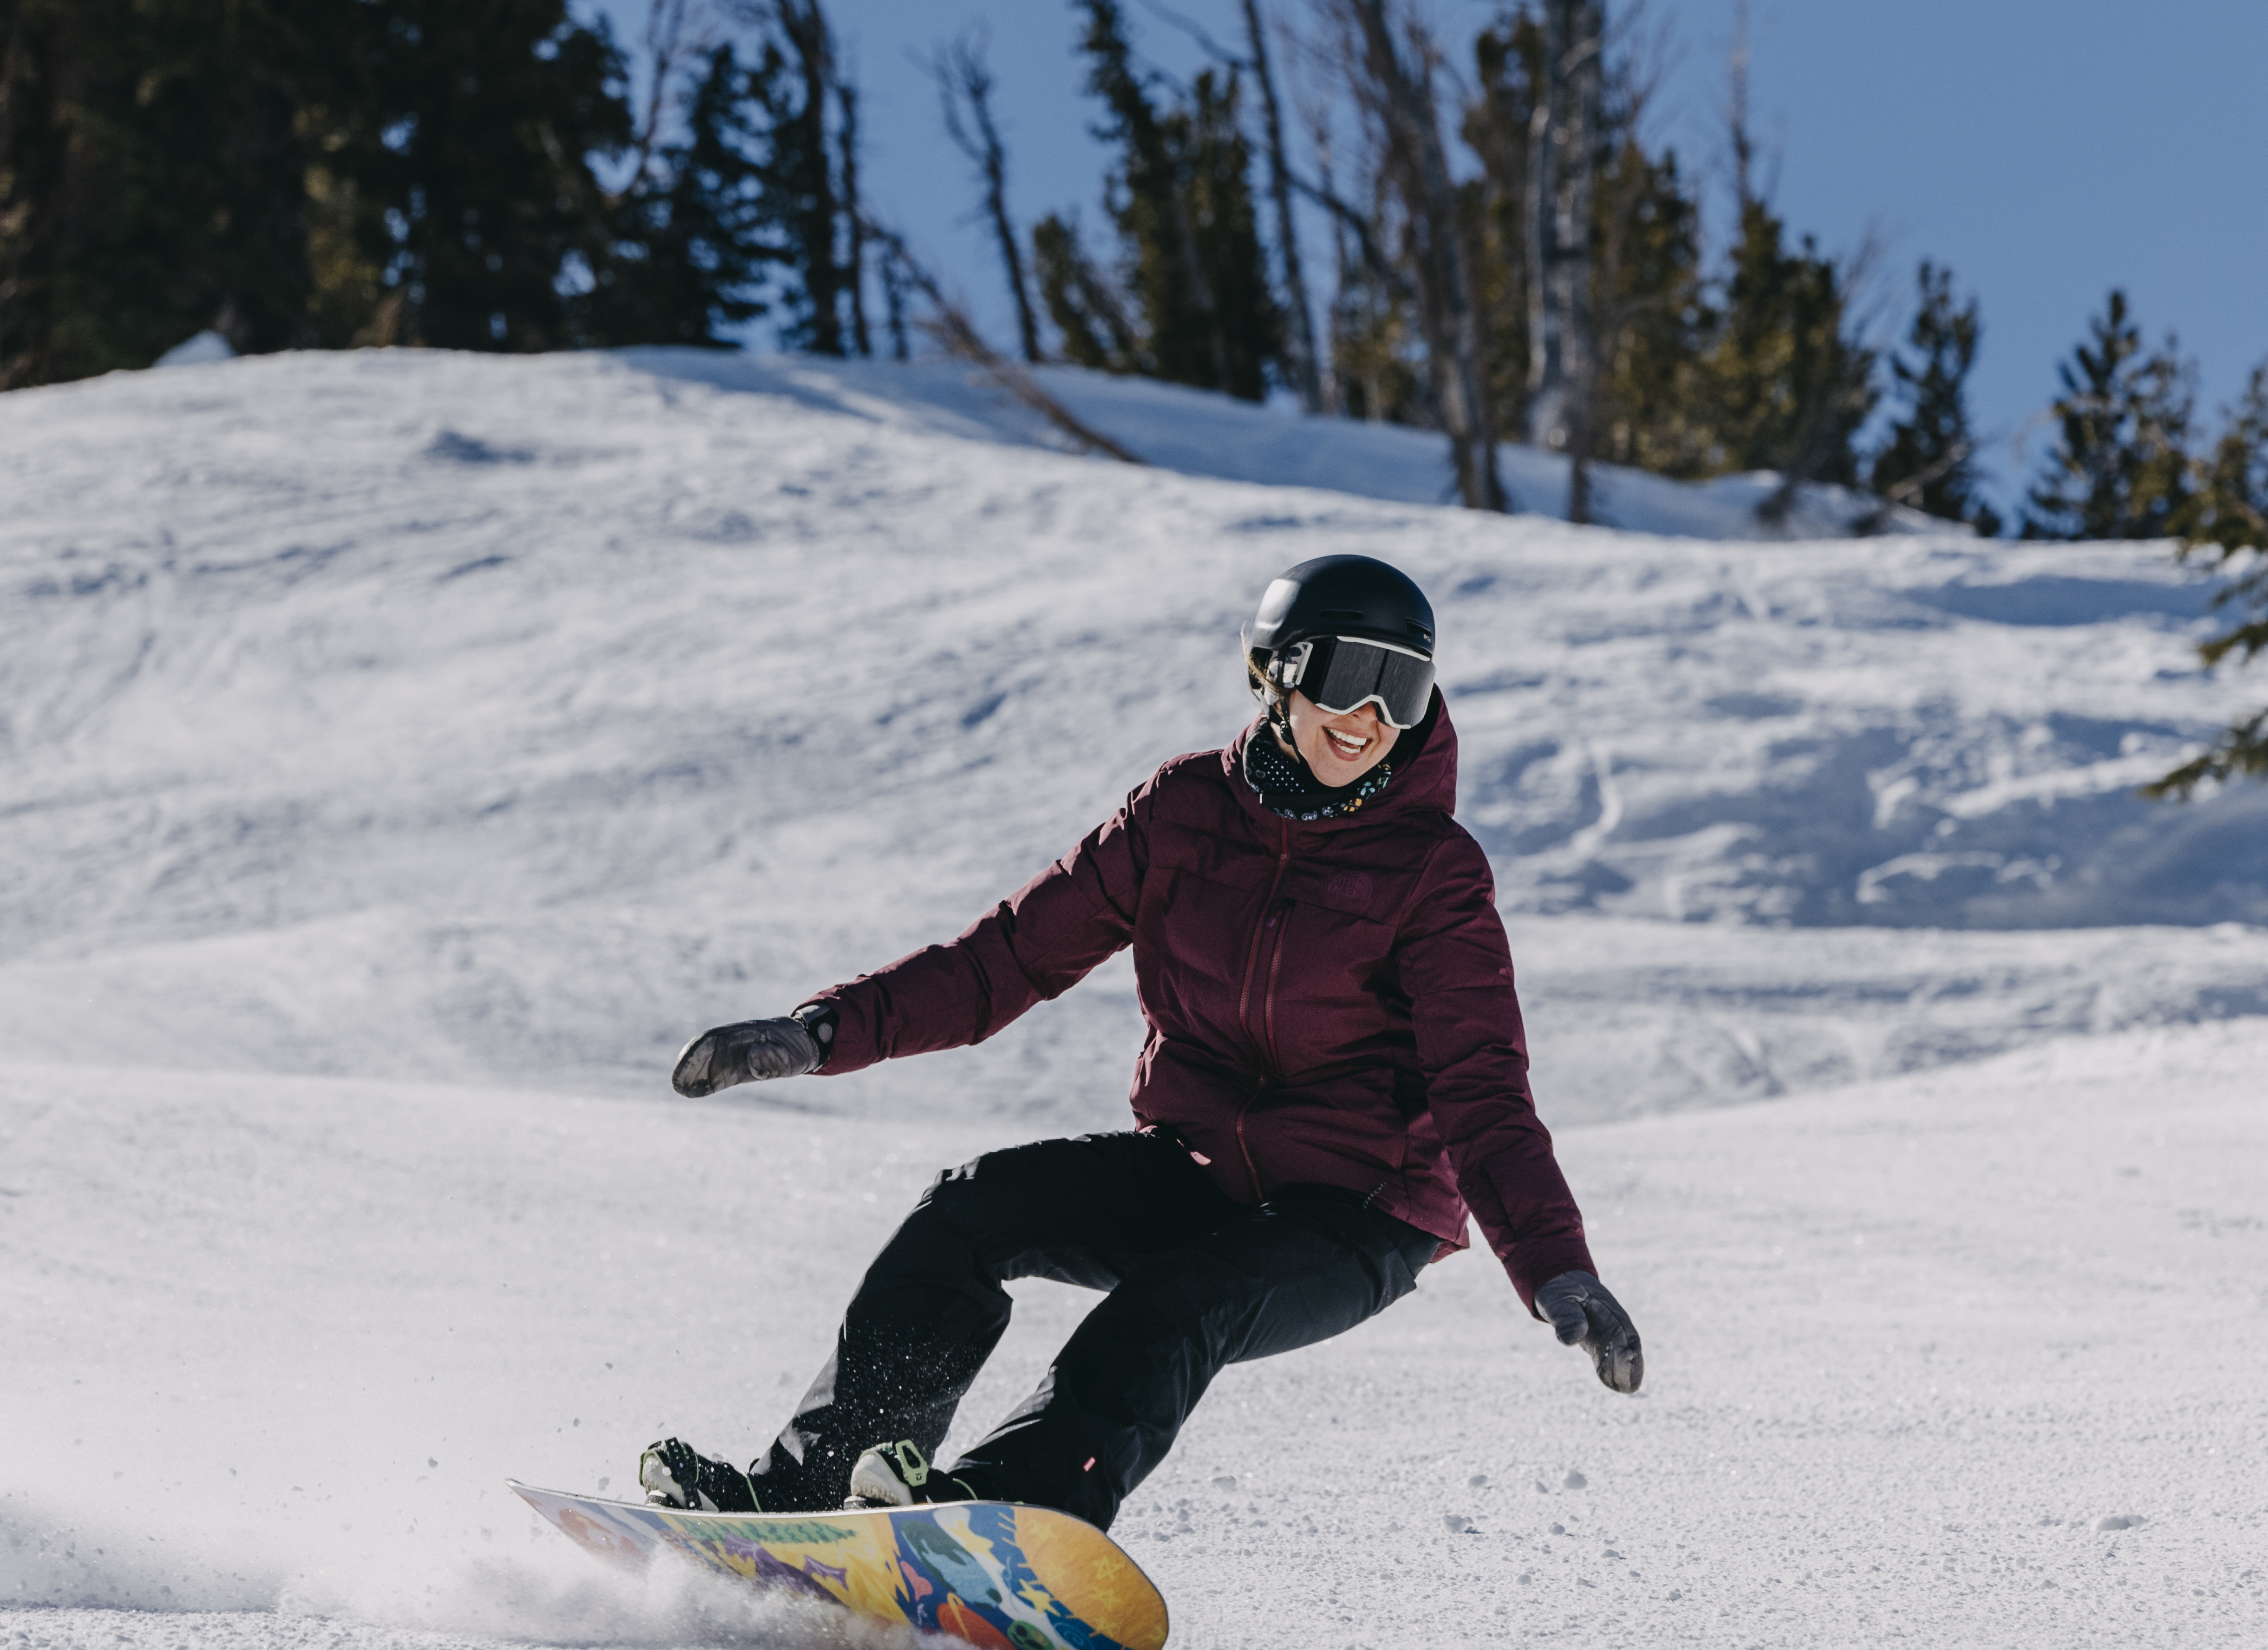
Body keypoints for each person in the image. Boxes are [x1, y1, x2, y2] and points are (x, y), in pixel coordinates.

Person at [645, 553, 1642, 1527]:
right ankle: (806, 1494)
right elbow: (1006, 959)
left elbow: (1482, 1088)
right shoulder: (1182, 812)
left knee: (1182, 1296)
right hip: (1200, 1170)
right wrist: (821, 1032)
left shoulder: (1432, 870)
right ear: (1276, 673)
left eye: (1405, 687)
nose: (1372, 717)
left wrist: (1554, 1261)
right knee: (967, 1211)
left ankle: (1008, 1514)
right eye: (1351, 675)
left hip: (1359, 1209)